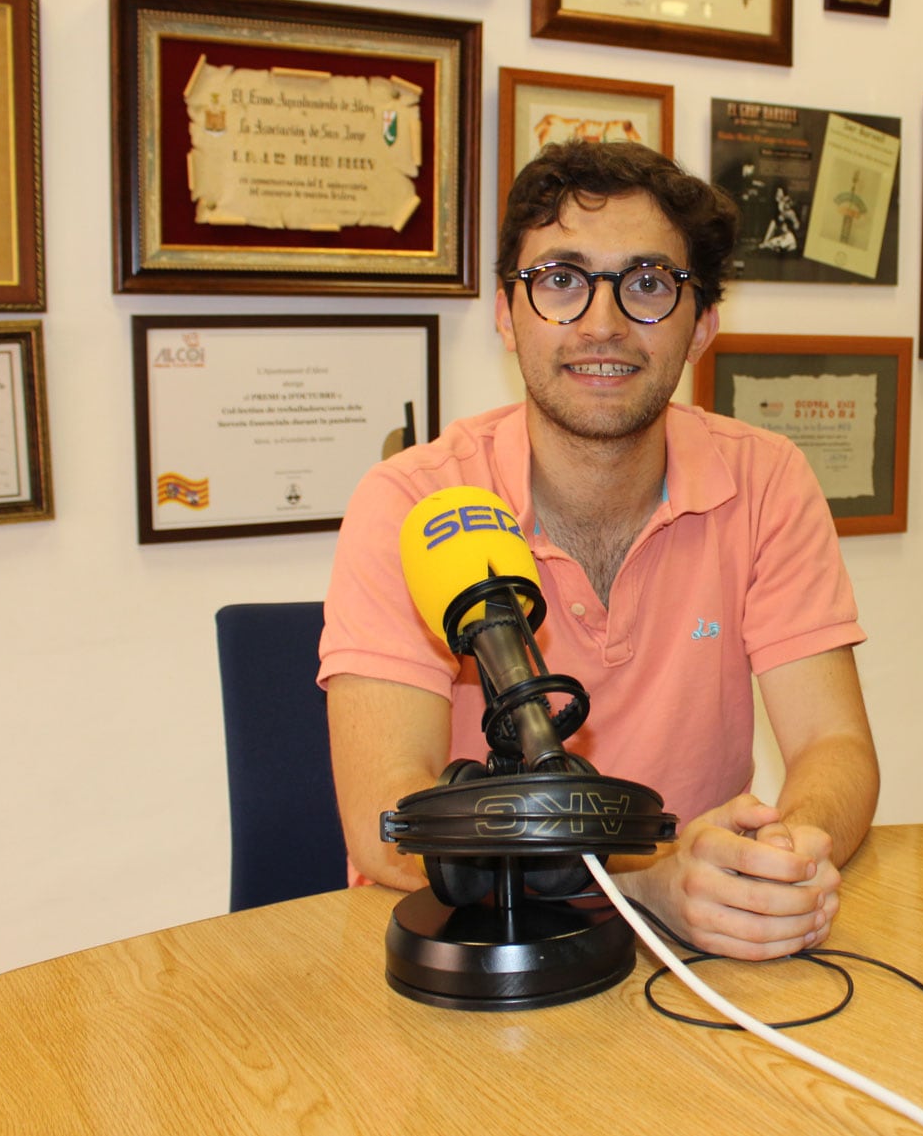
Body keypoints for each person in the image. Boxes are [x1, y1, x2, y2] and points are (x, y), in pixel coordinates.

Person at [320, 141, 880, 960]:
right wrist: (649, 874)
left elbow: (837, 747)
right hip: (477, 960)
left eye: (649, 283)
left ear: (702, 327)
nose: (603, 322)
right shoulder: (414, 501)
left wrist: (768, 861)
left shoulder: (766, 480)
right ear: (507, 316)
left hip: (697, 953)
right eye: (561, 280)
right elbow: (390, 827)